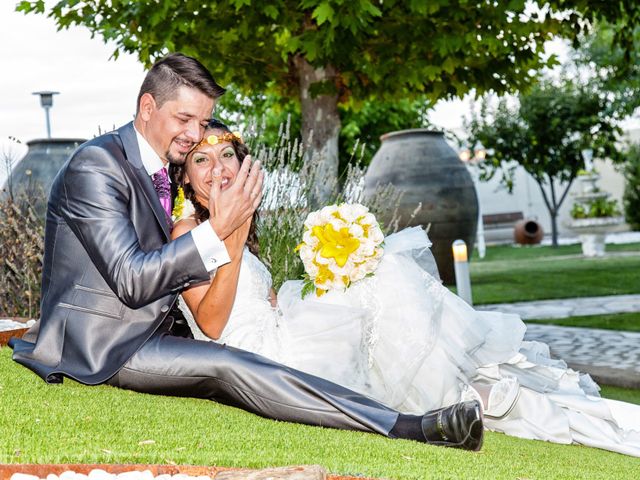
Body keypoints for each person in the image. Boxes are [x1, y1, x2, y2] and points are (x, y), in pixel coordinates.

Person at [9, 52, 484, 452]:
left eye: (202, 121)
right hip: (102, 343)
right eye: (184, 119)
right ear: (147, 107)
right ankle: (406, 426)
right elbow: (132, 279)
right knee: (227, 363)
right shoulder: (96, 165)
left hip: (157, 330)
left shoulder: (165, 171)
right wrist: (220, 230)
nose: (196, 134)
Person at [171, 119, 640, 458]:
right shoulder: (187, 232)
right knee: (387, 281)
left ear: (242, 162)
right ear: (186, 178)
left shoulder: (239, 228)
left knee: (380, 273)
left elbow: (260, 300)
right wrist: (230, 232)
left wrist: (320, 283)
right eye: (202, 160)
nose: (219, 168)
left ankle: (470, 386)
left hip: (284, 329)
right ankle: (462, 392)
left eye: (227, 155)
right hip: (259, 361)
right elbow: (212, 323)